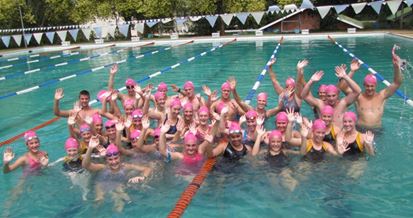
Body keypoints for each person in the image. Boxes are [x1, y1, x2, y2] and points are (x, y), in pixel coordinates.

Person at [338, 46, 403, 129]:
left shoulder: (382, 96)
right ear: (364, 85)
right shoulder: (358, 96)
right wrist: (352, 71)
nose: (370, 88)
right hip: (360, 130)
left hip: (378, 131)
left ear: (375, 86)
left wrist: (396, 67)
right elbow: (343, 87)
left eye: (372, 86)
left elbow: (397, 83)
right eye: (367, 86)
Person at [82, 137, 152, 212]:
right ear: (106, 160)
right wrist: (90, 148)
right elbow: (86, 165)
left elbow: (147, 169)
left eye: (116, 158)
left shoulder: (126, 166)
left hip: (118, 185)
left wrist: (142, 177)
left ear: (120, 157)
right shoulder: (103, 167)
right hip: (101, 185)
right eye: (110, 159)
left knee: (120, 201)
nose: (114, 162)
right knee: (99, 202)